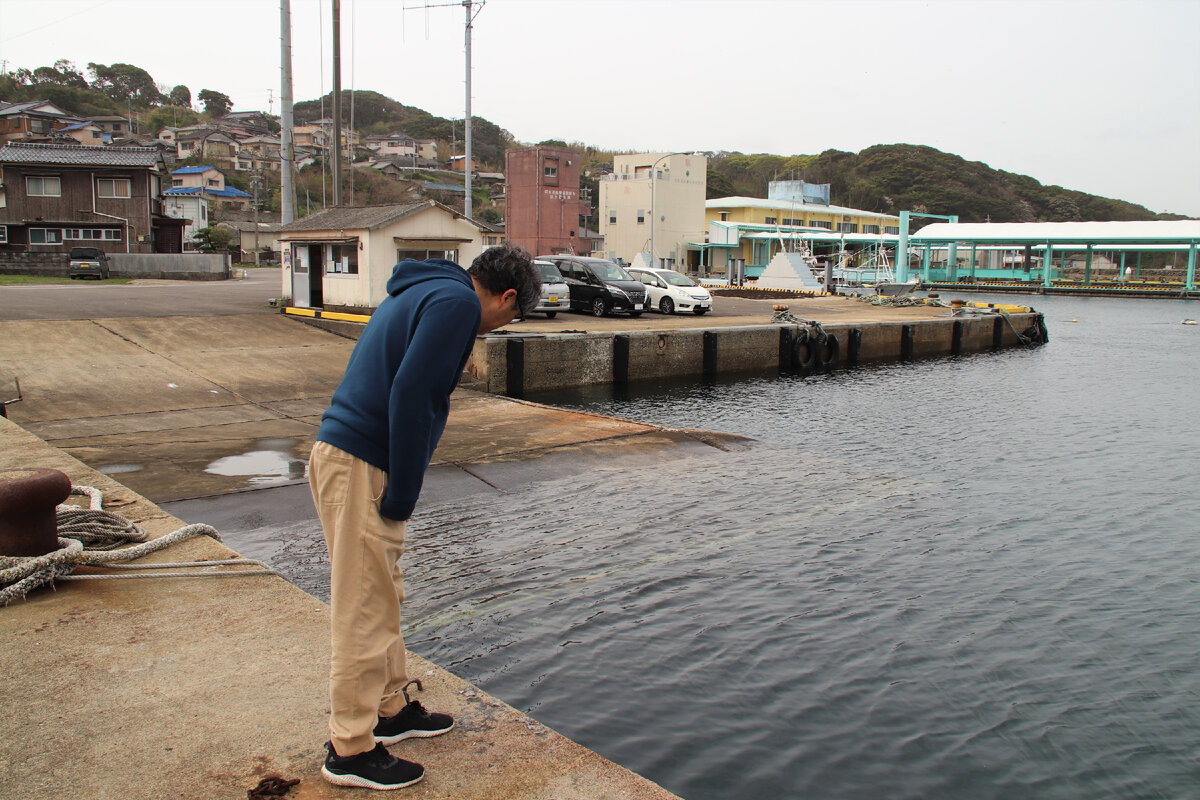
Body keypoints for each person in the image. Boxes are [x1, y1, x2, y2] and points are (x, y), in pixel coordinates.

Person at [309, 243, 540, 790]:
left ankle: (390, 710)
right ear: (506, 297)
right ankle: (349, 748)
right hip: (363, 462)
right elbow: (413, 394)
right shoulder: (457, 304)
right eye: (511, 318)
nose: (499, 328)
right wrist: (405, 491)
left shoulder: (427, 289)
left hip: (349, 455)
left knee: (382, 592)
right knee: (364, 607)